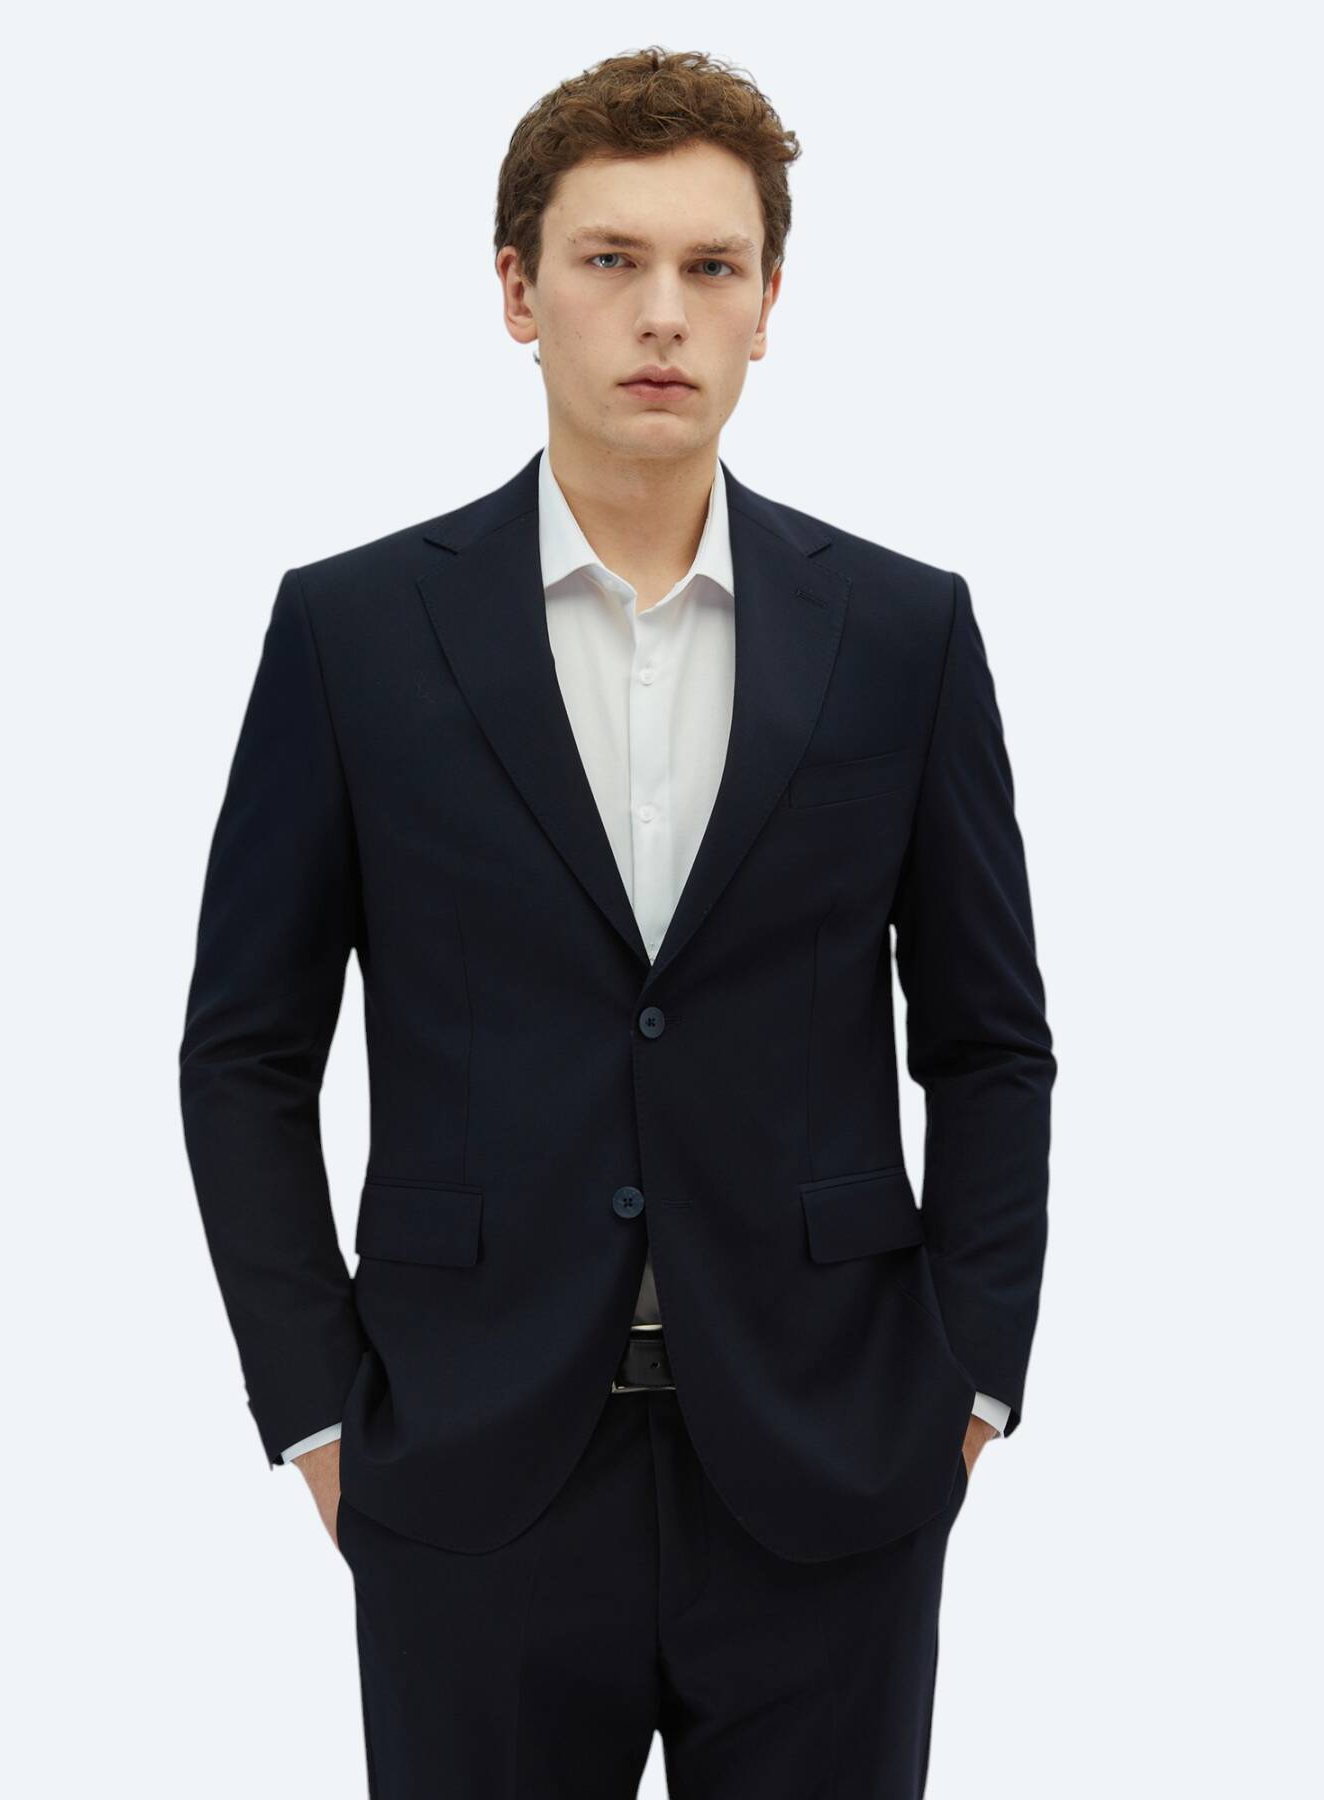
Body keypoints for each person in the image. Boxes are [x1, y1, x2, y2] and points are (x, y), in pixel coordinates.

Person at [179, 44, 1056, 1798]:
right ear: (517, 291)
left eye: (710, 266)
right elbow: (245, 1053)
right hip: (469, 1470)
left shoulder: (901, 632)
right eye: (609, 260)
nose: (663, 312)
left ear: (766, 305)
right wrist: (320, 1412)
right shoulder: (355, 633)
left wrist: (964, 1390)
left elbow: (988, 1043)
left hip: (828, 1466)